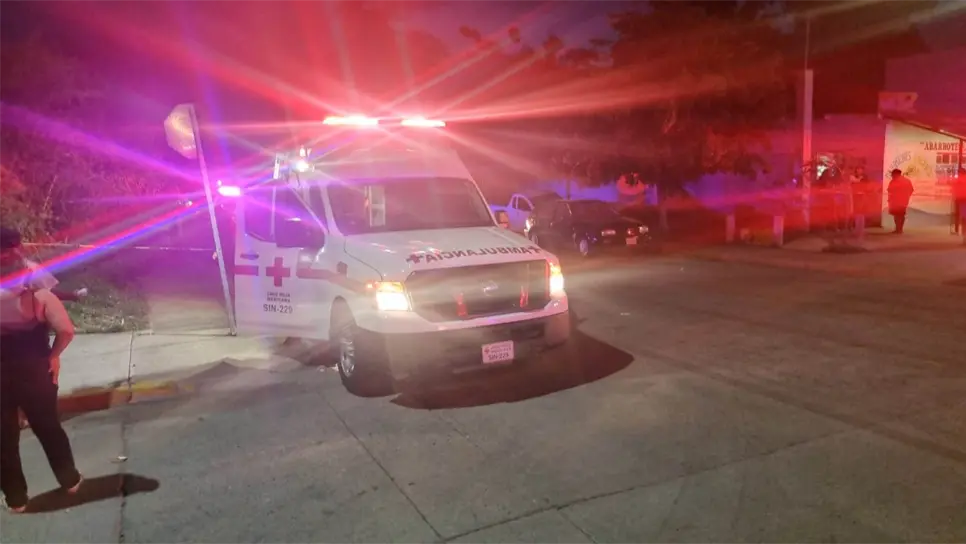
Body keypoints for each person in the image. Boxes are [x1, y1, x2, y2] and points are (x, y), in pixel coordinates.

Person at [1, 234, 84, 513]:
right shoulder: (40, 296)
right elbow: (66, 331)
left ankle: (16, 500)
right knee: (48, 427)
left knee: (3, 439)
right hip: (36, 370)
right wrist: (53, 356)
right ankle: (69, 480)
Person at [887, 168, 914, 234]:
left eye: (892, 174)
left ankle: (898, 229)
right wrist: (907, 196)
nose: (891, 176)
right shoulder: (907, 181)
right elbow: (911, 190)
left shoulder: (894, 181)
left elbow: (889, 190)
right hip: (904, 200)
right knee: (901, 215)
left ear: (895, 174)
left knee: (897, 215)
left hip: (895, 201)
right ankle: (900, 229)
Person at [951, 168, 966, 235]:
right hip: (963, 200)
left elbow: (954, 189)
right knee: (963, 217)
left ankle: (958, 230)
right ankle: (963, 231)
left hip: (959, 199)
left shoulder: (956, 180)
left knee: (958, 215)